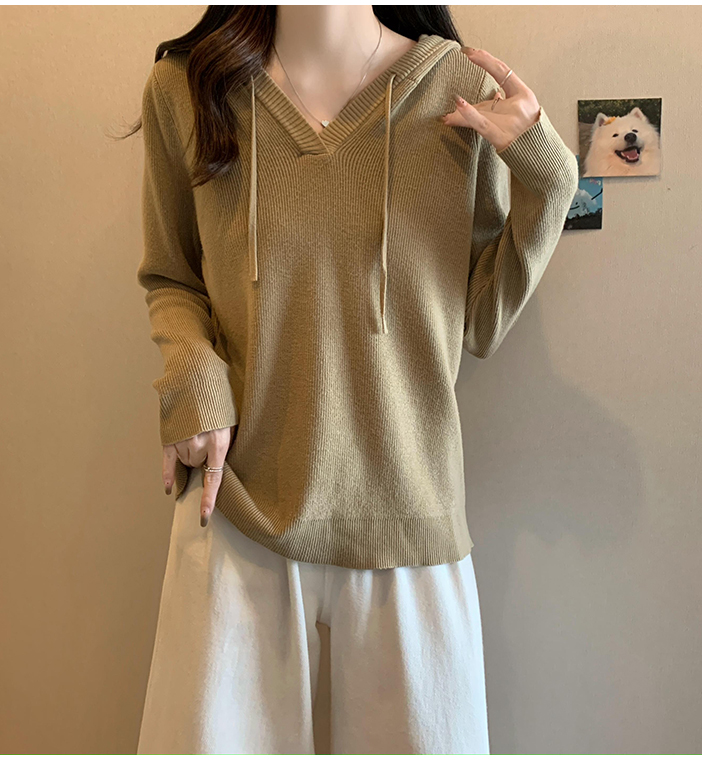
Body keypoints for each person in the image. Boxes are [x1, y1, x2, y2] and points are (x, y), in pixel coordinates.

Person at [129, 5, 579, 754]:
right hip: (237, 508)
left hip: (407, 514)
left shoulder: (458, 91)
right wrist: (195, 378)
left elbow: (478, 322)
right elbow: (171, 276)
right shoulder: (187, 88)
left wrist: (549, 177)